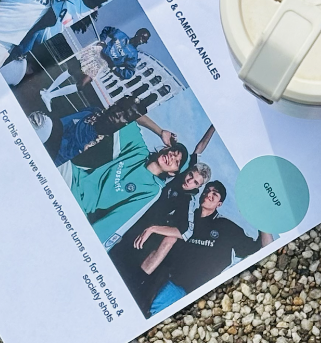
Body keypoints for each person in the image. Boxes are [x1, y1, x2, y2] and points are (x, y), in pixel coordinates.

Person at [108, 137, 214, 313]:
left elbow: (186, 232)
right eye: (191, 175)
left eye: (196, 182)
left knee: (123, 271)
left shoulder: (188, 200)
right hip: (136, 217)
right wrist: (214, 127)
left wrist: (152, 229)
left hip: (145, 236)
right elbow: (198, 149)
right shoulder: (179, 174)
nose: (190, 180)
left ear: (199, 187)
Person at [141, 181, 274, 315]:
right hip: (160, 279)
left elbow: (266, 248)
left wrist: (261, 218)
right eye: (206, 190)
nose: (208, 194)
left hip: (194, 295)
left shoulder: (227, 227)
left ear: (219, 204)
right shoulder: (184, 217)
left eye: (214, 194)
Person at [68, 114, 189, 243]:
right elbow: (128, 114)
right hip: (72, 175)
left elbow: (119, 219)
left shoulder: (152, 190)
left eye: (176, 162)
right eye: (173, 152)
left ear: (172, 173)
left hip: (79, 203)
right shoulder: (139, 150)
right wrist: (160, 132)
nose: (171, 158)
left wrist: (89, 242)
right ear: (167, 148)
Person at [36, 25, 151, 109]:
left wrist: (115, 69)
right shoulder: (121, 35)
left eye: (145, 40)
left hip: (102, 64)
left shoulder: (133, 55)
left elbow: (129, 73)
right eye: (143, 37)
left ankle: (50, 96)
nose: (142, 41)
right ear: (138, 33)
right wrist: (102, 40)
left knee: (81, 85)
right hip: (97, 53)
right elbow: (107, 29)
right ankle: (48, 91)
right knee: (72, 71)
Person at [29, 95, 149, 167]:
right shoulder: (91, 112)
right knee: (40, 121)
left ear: (127, 124)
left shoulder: (107, 148)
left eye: (125, 116)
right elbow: (59, 125)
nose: (117, 114)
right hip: (45, 143)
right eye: (119, 107)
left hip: (54, 164)